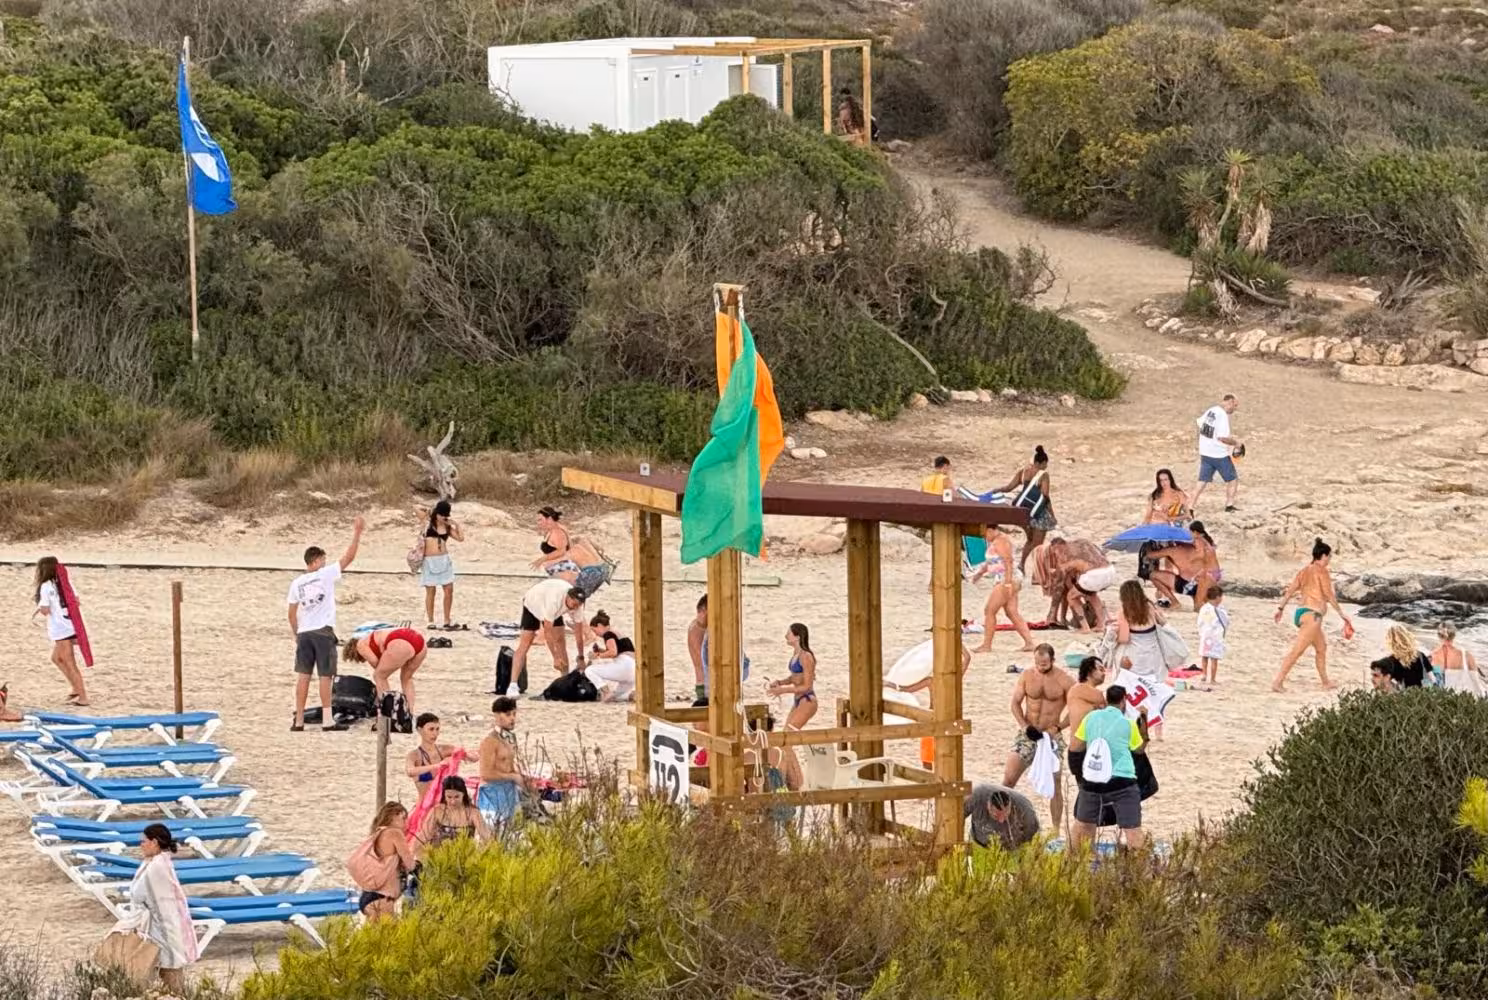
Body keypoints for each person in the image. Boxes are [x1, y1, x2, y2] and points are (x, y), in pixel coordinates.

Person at [287, 517, 363, 732]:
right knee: (325, 675)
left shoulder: (297, 583)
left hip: (304, 632)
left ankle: (299, 720)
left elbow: (291, 613)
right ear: (317, 560)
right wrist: (357, 533)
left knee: (303, 676)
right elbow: (349, 558)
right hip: (322, 630)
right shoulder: (324, 574)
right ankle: (328, 719)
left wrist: (296, 633)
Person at [1069, 685, 1148, 852]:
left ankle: (1072, 862)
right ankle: (1141, 869)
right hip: (1122, 781)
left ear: (1106, 700)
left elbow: (1076, 746)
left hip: (1093, 779)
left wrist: (1079, 772)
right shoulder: (1127, 724)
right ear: (1123, 701)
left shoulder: (1091, 718)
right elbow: (1139, 750)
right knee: (1132, 829)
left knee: (1082, 823)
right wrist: (1144, 721)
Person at [1002, 643, 1072, 827]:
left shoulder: (1064, 679)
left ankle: (1056, 829)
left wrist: (1059, 727)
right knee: (1008, 779)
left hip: (1051, 736)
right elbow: (1015, 704)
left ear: (1052, 660)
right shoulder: (1027, 676)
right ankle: (1001, 821)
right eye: (1037, 663)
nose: (1040, 667)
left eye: (1044, 664)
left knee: (1056, 784)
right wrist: (1024, 726)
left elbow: (1076, 709)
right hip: (1028, 733)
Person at [1273, 538, 1352, 692]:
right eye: (1329, 557)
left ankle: (1325, 682)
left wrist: (1280, 608)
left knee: (1321, 647)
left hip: (1302, 613)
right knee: (1297, 651)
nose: (1329, 560)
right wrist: (1342, 614)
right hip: (1313, 616)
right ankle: (1278, 682)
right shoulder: (1322, 571)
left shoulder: (1304, 570)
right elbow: (1328, 595)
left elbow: (1290, 590)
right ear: (1323, 556)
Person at [127, 823, 199, 992]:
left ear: (154, 842)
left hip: (164, 929)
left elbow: (138, 894)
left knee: (169, 975)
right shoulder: (160, 862)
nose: (141, 845)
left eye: (143, 841)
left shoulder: (157, 867)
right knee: (165, 973)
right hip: (164, 926)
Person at [884, 639, 973, 771]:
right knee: (932, 757)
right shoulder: (943, 681)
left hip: (937, 719)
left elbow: (967, 658)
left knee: (933, 758)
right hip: (940, 718)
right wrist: (890, 684)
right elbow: (905, 689)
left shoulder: (942, 681)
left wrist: (955, 640)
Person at [970, 526, 1036, 652]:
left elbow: (1008, 561)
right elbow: (991, 562)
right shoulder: (995, 542)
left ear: (990, 530)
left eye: (985, 534)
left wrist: (1007, 582)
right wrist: (979, 574)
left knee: (989, 610)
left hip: (1006, 578)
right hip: (1006, 578)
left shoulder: (1001, 540)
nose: (984, 537)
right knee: (1011, 611)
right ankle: (1029, 643)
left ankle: (986, 645)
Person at [32, 556, 87, 706]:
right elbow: (76, 601)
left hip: (60, 627)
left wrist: (41, 608)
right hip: (70, 624)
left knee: (69, 662)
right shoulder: (65, 583)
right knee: (56, 658)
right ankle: (76, 688)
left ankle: (83, 696)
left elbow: (45, 609)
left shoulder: (45, 586)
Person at [343, 626, 428, 718]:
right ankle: (409, 713)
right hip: (419, 641)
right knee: (406, 678)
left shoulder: (361, 645)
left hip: (399, 641)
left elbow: (377, 665)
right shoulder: (375, 635)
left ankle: (388, 712)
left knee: (379, 676)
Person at [513, 578, 585, 682]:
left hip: (553, 606)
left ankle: (565, 679)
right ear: (568, 598)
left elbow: (578, 634)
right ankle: (513, 684)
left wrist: (581, 657)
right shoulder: (554, 601)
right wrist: (555, 657)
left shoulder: (577, 606)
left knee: (560, 640)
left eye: (578, 605)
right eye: (574, 605)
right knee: (525, 644)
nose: (575, 608)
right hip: (533, 603)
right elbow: (547, 632)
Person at [999, 446, 1057, 574]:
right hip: (1038, 513)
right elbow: (1045, 495)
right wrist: (1051, 513)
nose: (1046, 467)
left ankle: (1022, 565)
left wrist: (996, 491)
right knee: (1038, 544)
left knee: (1030, 541)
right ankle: (1037, 572)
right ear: (1041, 463)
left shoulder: (1024, 472)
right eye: (1045, 464)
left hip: (1024, 512)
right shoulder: (1043, 475)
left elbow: (1009, 487)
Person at [359, 802, 415, 921]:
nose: (406, 823)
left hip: (368, 896)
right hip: (382, 898)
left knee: (374, 937)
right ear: (394, 817)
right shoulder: (395, 833)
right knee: (393, 937)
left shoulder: (377, 833)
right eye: (403, 818)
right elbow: (410, 865)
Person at [1149, 521, 1223, 611]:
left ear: (1195, 532)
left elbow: (1199, 554)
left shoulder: (1199, 542)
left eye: (1190, 532)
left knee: (1198, 606)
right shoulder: (1203, 541)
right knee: (1201, 603)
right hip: (1211, 573)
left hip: (1207, 575)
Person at [478, 696, 526, 830]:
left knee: (512, 833)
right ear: (497, 716)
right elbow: (485, 773)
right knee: (493, 833)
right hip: (492, 793)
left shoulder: (510, 738)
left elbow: (510, 766)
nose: (512, 718)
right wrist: (513, 777)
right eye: (508, 714)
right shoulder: (490, 742)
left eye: (514, 714)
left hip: (509, 791)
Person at [1192, 394, 1243, 513]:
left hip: (1205, 452)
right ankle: (1229, 505)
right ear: (1229, 402)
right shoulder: (1222, 415)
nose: (1234, 409)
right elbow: (1222, 438)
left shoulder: (1212, 410)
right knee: (1232, 479)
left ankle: (1191, 506)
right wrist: (1236, 443)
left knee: (1202, 481)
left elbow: (1200, 424)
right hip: (1218, 454)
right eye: (1234, 405)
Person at [416, 775, 490, 856]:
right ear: (444, 796)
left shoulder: (473, 813)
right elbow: (423, 836)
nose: (453, 801)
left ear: (463, 795)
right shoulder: (437, 811)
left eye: (456, 797)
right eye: (449, 797)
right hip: (439, 858)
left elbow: (487, 837)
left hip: (463, 857)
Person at [419, 500, 465, 631]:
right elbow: (415, 507)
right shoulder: (428, 523)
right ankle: (430, 620)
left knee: (449, 590)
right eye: (442, 515)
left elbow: (461, 538)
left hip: (444, 560)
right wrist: (429, 510)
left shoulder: (447, 528)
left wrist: (456, 524)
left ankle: (447, 620)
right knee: (431, 591)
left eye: (446, 515)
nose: (444, 517)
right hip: (429, 561)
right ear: (437, 514)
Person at [1114, 579, 1167, 686]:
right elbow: (1161, 623)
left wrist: (1113, 635)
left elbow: (1124, 638)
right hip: (1153, 653)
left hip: (1135, 655)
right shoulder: (1150, 606)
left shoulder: (1124, 612)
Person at [767, 623, 818, 730]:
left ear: (797, 637)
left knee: (789, 734)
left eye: (788, 633)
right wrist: (780, 682)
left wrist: (783, 690)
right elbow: (794, 677)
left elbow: (807, 686)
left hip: (807, 700)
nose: (786, 636)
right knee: (785, 736)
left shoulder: (806, 656)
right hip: (798, 699)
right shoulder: (796, 653)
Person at [965, 783, 1041, 850]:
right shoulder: (976, 796)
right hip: (979, 843)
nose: (1001, 820)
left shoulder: (1025, 809)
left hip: (1010, 850)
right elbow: (957, 818)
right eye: (996, 815)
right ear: (988, 806)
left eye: (1005, 815)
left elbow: (1034, 838)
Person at [585, 610, 636, 702]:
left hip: (625, 666)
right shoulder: (617, 633)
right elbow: (618, 651)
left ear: (600, 626)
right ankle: (632, 695)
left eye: (594, 630)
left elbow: (613, 652)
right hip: (634, 670)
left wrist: (597, 655)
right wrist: (601, 651)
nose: (596, 634)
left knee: (589, 670)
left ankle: (605, 691)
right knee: (614, 697)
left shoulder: (608, 634)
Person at [405, 713, 461, 797]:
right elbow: (410, 771)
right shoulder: (414, 755)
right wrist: (438, 766)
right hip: (424, 806)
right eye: (431, 729)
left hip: (445, 805)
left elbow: (472, 757)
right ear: (420, 730)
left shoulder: (445, 750)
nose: (435, 733)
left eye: (437, 729)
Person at [1370, 624, 1430, 691]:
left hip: (1405, 697)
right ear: (1407, 637)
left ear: (1390, 641)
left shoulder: (1391, 661)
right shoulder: (1420, 655)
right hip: (1424, 695)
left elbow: (1385, 682)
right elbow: (1432, 677)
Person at [1432, 621, 1482, 693]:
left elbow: (1429, 682)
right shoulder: (1466, 656)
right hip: (1459, 698)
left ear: (1438, 635)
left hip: (1439, 698)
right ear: (1454, 635)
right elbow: (1476, 684)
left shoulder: (1432, 656)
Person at [1196, 586, 1229, 686]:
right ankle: (1213, 678)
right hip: (1215, 637)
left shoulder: (1204, 608)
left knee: (1204, 656)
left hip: (1205, 635)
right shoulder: (1219, 610)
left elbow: (1200, 622)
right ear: (1217, 597)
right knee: (1214, 658)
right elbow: (1226, 621)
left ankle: (1204, 674)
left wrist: (1201, 632)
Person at [1066, 656, 1108, 733]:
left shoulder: (1075, 689)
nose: (1104, 673)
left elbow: (1071, 715)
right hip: (1084, 743)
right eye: (1101, 669)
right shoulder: (1085, 690)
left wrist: (1059, 727)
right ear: (1089, 671)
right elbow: (1111, 710)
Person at [530, 505, 572, 575]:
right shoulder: (552, 529)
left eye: (540, 520)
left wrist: (542, 559)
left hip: (563, 569)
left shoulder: (557, 532)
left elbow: (562, 551)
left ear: (549, 519)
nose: (538, 523)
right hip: (558, 568)